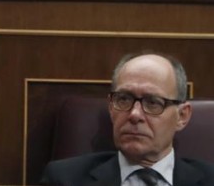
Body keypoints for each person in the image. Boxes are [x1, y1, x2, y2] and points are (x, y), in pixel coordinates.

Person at [40, 52, 214, 185]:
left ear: (182, 116)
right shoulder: (64, 179)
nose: (135, 114)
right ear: (111, 107)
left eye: (153, 102)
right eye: (123, 99)